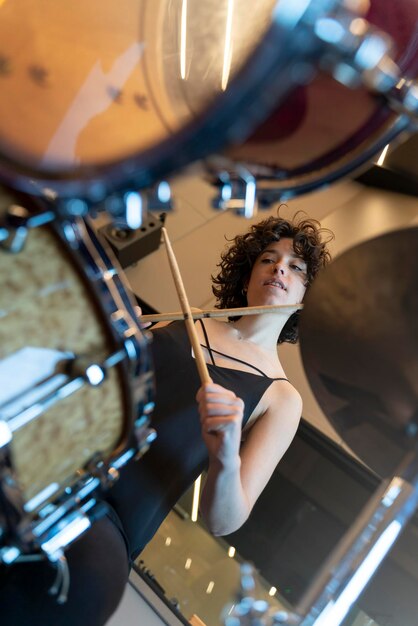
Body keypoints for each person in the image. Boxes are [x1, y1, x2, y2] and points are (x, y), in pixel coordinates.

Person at [0, 212, 332, 625]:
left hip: (110, 523)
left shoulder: (281, 398)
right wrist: (113, 346)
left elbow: (224, 519)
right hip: (52, 470)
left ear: (307, 297)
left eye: (296, 266)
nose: (279, 267)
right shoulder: (186, 319)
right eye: (268, 258)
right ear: (248, 273)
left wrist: (226, 456)